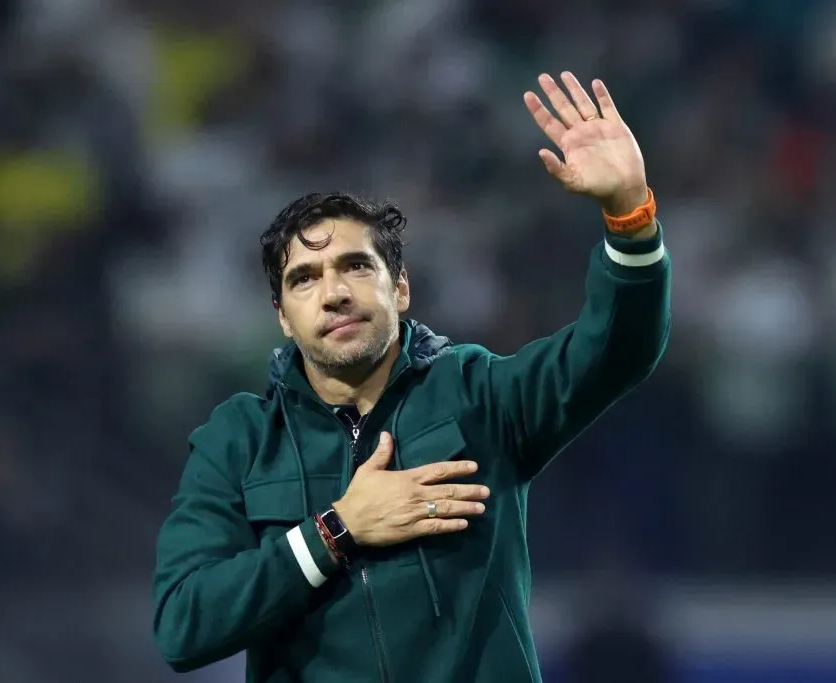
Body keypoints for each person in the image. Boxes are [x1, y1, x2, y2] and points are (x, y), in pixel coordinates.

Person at [152, 72, 671, 683]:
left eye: (355, 266)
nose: (333, 293)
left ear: (400, 289)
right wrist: (336, 530)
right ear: (283, 318)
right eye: (305, 279)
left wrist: (629, 214)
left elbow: (618, 348)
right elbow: (183, 626)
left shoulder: (476, 393)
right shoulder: (238, 439)